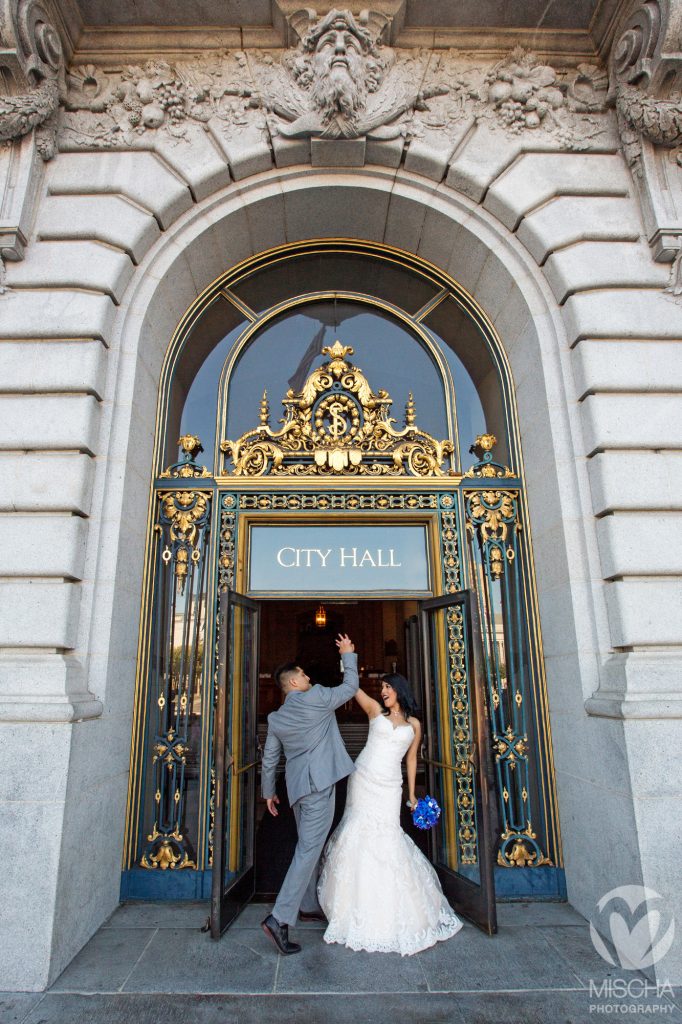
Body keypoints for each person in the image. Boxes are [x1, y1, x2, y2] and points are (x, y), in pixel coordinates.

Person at [317, 672, 463, 955]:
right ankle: (354, 907)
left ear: (399, 690)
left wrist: (410, 793)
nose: (383, 691)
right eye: (382, 687)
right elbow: (353, 689)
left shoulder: (414, 725)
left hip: (389, 786)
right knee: (359, 831)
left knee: (389, 836)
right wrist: (348, 660)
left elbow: (411, 758)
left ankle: (393, 905)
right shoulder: (374, 710)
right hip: (364, 778)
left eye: (388, 687)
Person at [260, 633, 358, 955]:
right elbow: (350, 688)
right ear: (293, 683)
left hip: (298, 788)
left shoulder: (276, 718)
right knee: (307, 850)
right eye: (302, 674)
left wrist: (268, 792)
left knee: (309, 846)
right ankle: (279, 918)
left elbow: (271, 758)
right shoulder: (316, 697)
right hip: (318, 787)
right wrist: (347, 654)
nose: (308, 677)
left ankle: (307, 904)